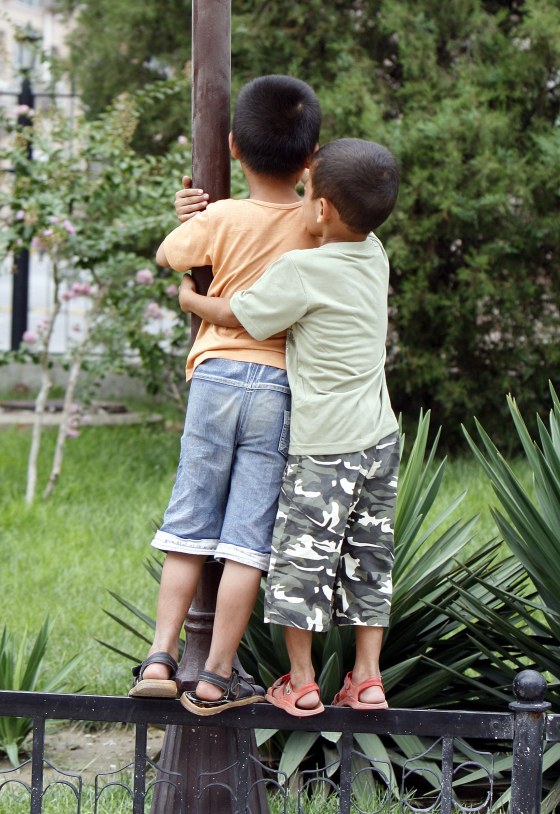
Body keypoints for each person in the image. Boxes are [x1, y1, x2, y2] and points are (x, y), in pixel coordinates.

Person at [178, 137, 400, 716]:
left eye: (306, 192)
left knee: (304, 559)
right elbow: (354, 190)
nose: (301, 199)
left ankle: (300, 680)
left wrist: (190, 299)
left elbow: (236, 314)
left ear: (322, 210)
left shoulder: (303, 270)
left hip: (324, 444)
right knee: (369, 556)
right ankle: (368, 678)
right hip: (380, 436)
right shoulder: (374, 252)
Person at [128, 74, 322, 714]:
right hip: (278, 384)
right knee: (246, 538)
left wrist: (194, 215)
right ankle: (215, 675)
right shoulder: (315, 225)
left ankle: (160, 656)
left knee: (189, 520)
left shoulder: (222, 214)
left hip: (213, 377)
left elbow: (168, 254)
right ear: (310, 159)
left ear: (234, 147)